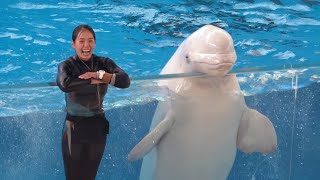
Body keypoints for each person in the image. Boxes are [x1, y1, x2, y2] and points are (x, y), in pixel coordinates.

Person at [56, 24, 130, 180]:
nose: (86, 45)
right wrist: (92, 80)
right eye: (81, 41)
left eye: (90, 40)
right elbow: (65, 84)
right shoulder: (66, 65)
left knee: (90, 176)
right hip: (73, 128)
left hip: (97, 126)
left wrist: (100, 75)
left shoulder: (103, 63)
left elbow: (124, 81)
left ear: (95, 43)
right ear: (73, 44)